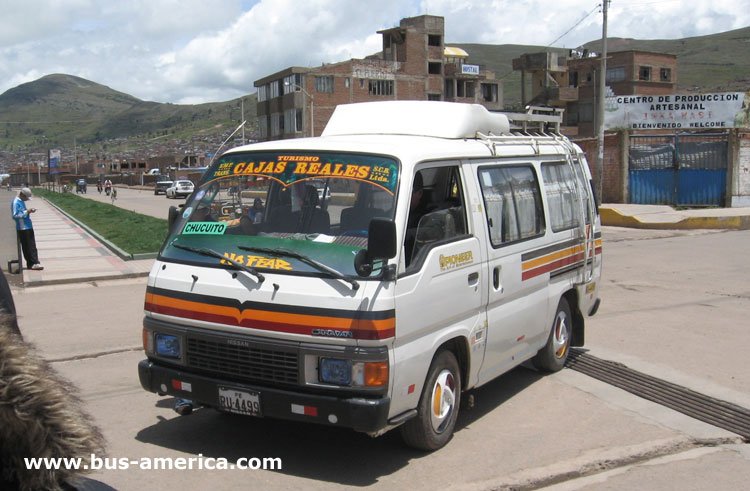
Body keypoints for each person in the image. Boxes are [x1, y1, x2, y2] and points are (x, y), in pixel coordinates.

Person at [11, 187, 43, 271]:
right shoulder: (15, 202)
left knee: (32, 245)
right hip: (23, 228)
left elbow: (23, 213)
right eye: (26, 198)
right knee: (27, 246)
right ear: (22, 195)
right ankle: (32, 263)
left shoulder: (21, 201)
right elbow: (15, 215)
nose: (27, 200)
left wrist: (29, 211)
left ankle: (35, 262)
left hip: (28, 226)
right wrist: (27, 212)